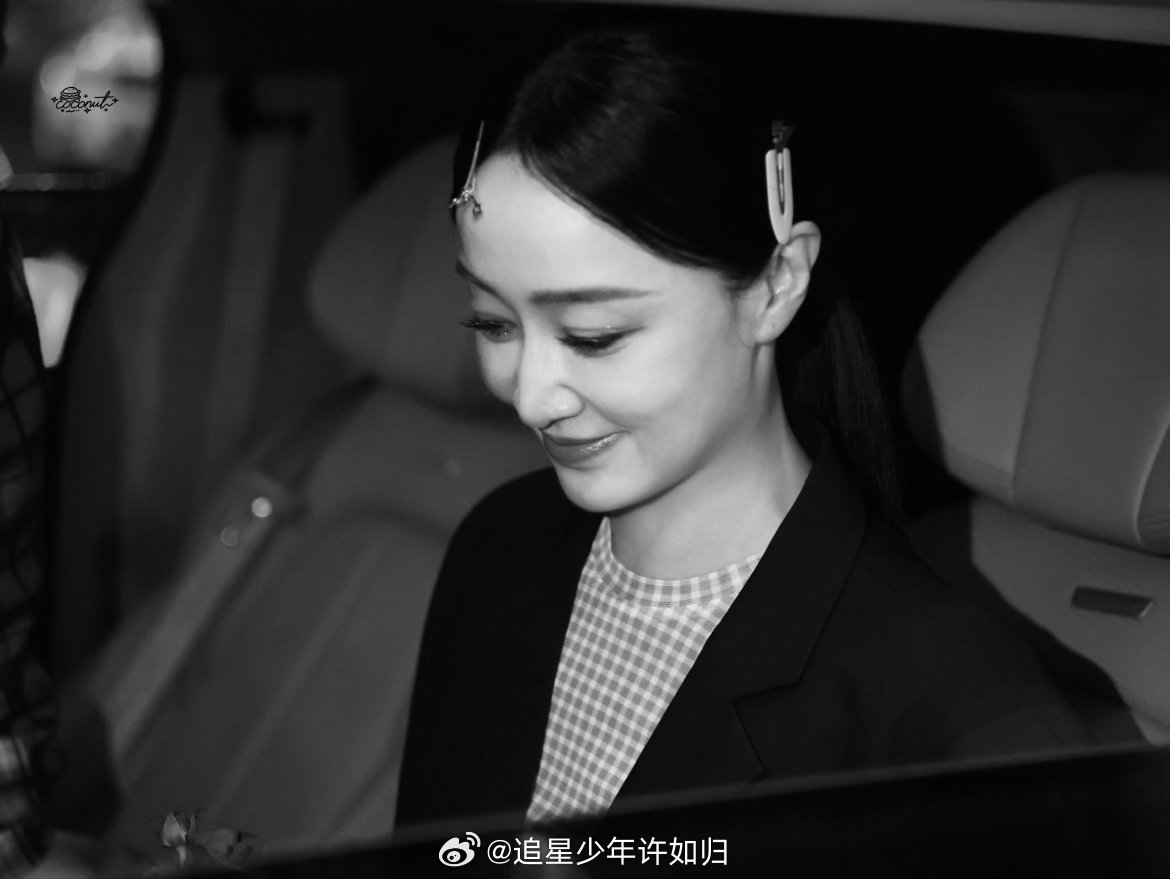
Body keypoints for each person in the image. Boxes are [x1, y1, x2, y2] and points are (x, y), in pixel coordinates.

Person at [395, 25, 1089, 828]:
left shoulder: (950, 713)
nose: (530, 398)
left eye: (594, 336)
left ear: (775, 285)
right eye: (493, 323)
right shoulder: (498, 548)